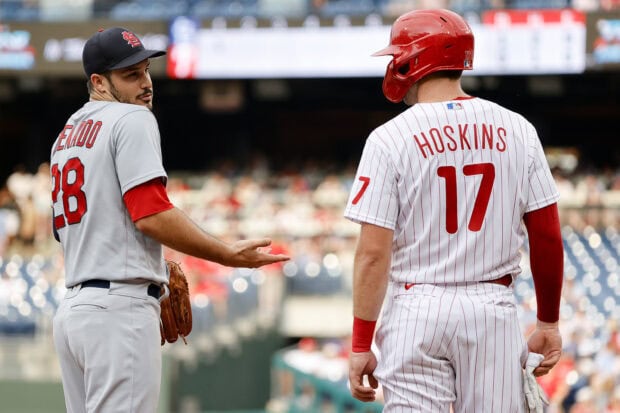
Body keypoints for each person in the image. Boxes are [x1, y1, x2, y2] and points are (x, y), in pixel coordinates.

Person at [50, 27, 289, 413]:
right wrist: (226, 254)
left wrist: (152, 269)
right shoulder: (131, 119)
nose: (145, 84)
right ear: (98, 81)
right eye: (130, 75)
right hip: (118, 313)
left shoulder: (67, 134)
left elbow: (69, 231)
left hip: (74, 316)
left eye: (145, 70)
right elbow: (151, 214)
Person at [345, 9, 564, 412]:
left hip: (417, 308)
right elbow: (547, 235)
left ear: (413, 60)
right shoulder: (518, 129)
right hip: (490, 308)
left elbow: (374, 254)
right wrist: (548, 322)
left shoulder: (388, 139)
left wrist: (361, 342)